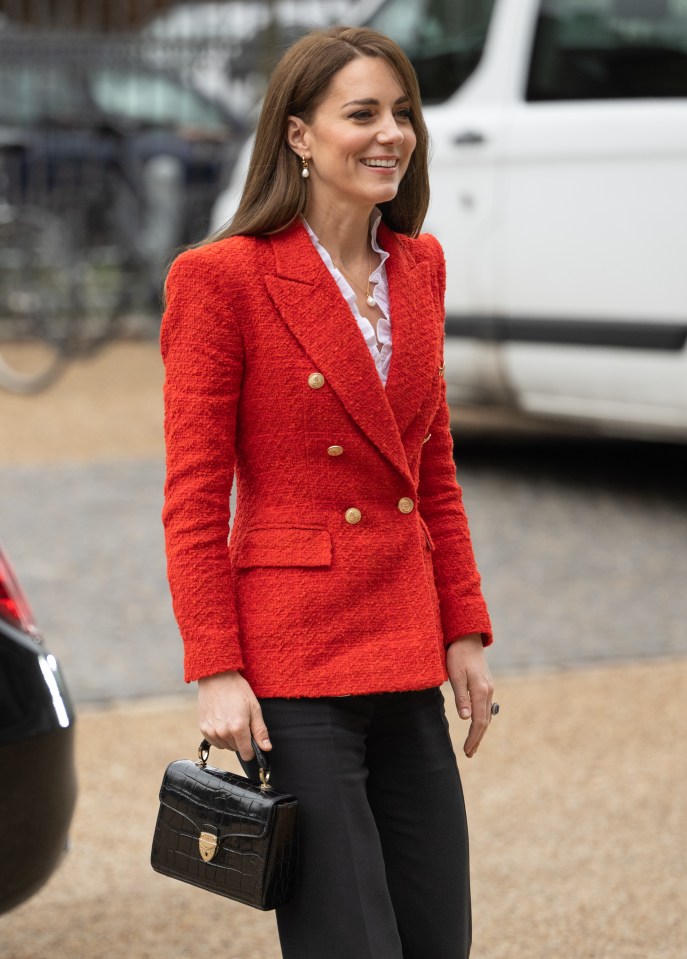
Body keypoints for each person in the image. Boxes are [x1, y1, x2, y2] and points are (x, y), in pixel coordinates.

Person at [160, 25, 497, 959]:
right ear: (299, 134)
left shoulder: (418, 268)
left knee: (438, 935)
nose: (390, 133)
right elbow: (193, 497)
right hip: (294, 663)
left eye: (402, 113)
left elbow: (429, 471)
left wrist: (462, 628)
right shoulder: (217, 280)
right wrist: (215, 665)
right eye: (362, 114)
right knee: (348, 940)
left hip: (403, 645)